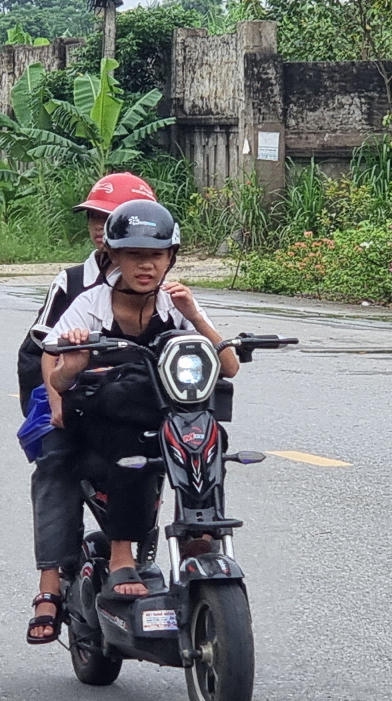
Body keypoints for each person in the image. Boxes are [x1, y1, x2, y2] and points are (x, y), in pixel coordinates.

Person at [45, 199, 240, 601]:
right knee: (130, 445)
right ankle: (121, 557)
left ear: (171, 257)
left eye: (156, 255)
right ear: (113, 255)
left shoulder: (177, 302)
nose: (146, 266)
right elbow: (58, 378)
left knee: (208, 435)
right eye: (134, 255)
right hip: (103, 416)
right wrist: (74, 362)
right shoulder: (89, 305)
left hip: (166, 412)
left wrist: (195, 316)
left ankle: (200, 533)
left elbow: (230, 366)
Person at [21, 172, 156, 644]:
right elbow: (45, 353)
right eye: (94, 218)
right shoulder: (75, 283)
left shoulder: (159, 281)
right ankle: (50, 585)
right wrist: (57, 404)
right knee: (56, 460)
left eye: (108, 217)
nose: (99, 227)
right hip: (63, 389)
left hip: (133, 401)